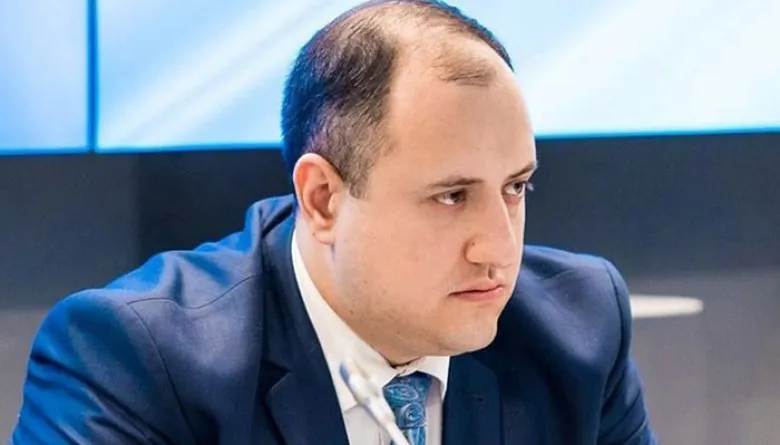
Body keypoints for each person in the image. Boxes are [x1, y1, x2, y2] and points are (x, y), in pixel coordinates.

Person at [10, 1, 656, 444]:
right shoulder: (136, 361)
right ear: (322, 200)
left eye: (516, 187)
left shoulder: (578, 329)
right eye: (452, 196)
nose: (498, 247)